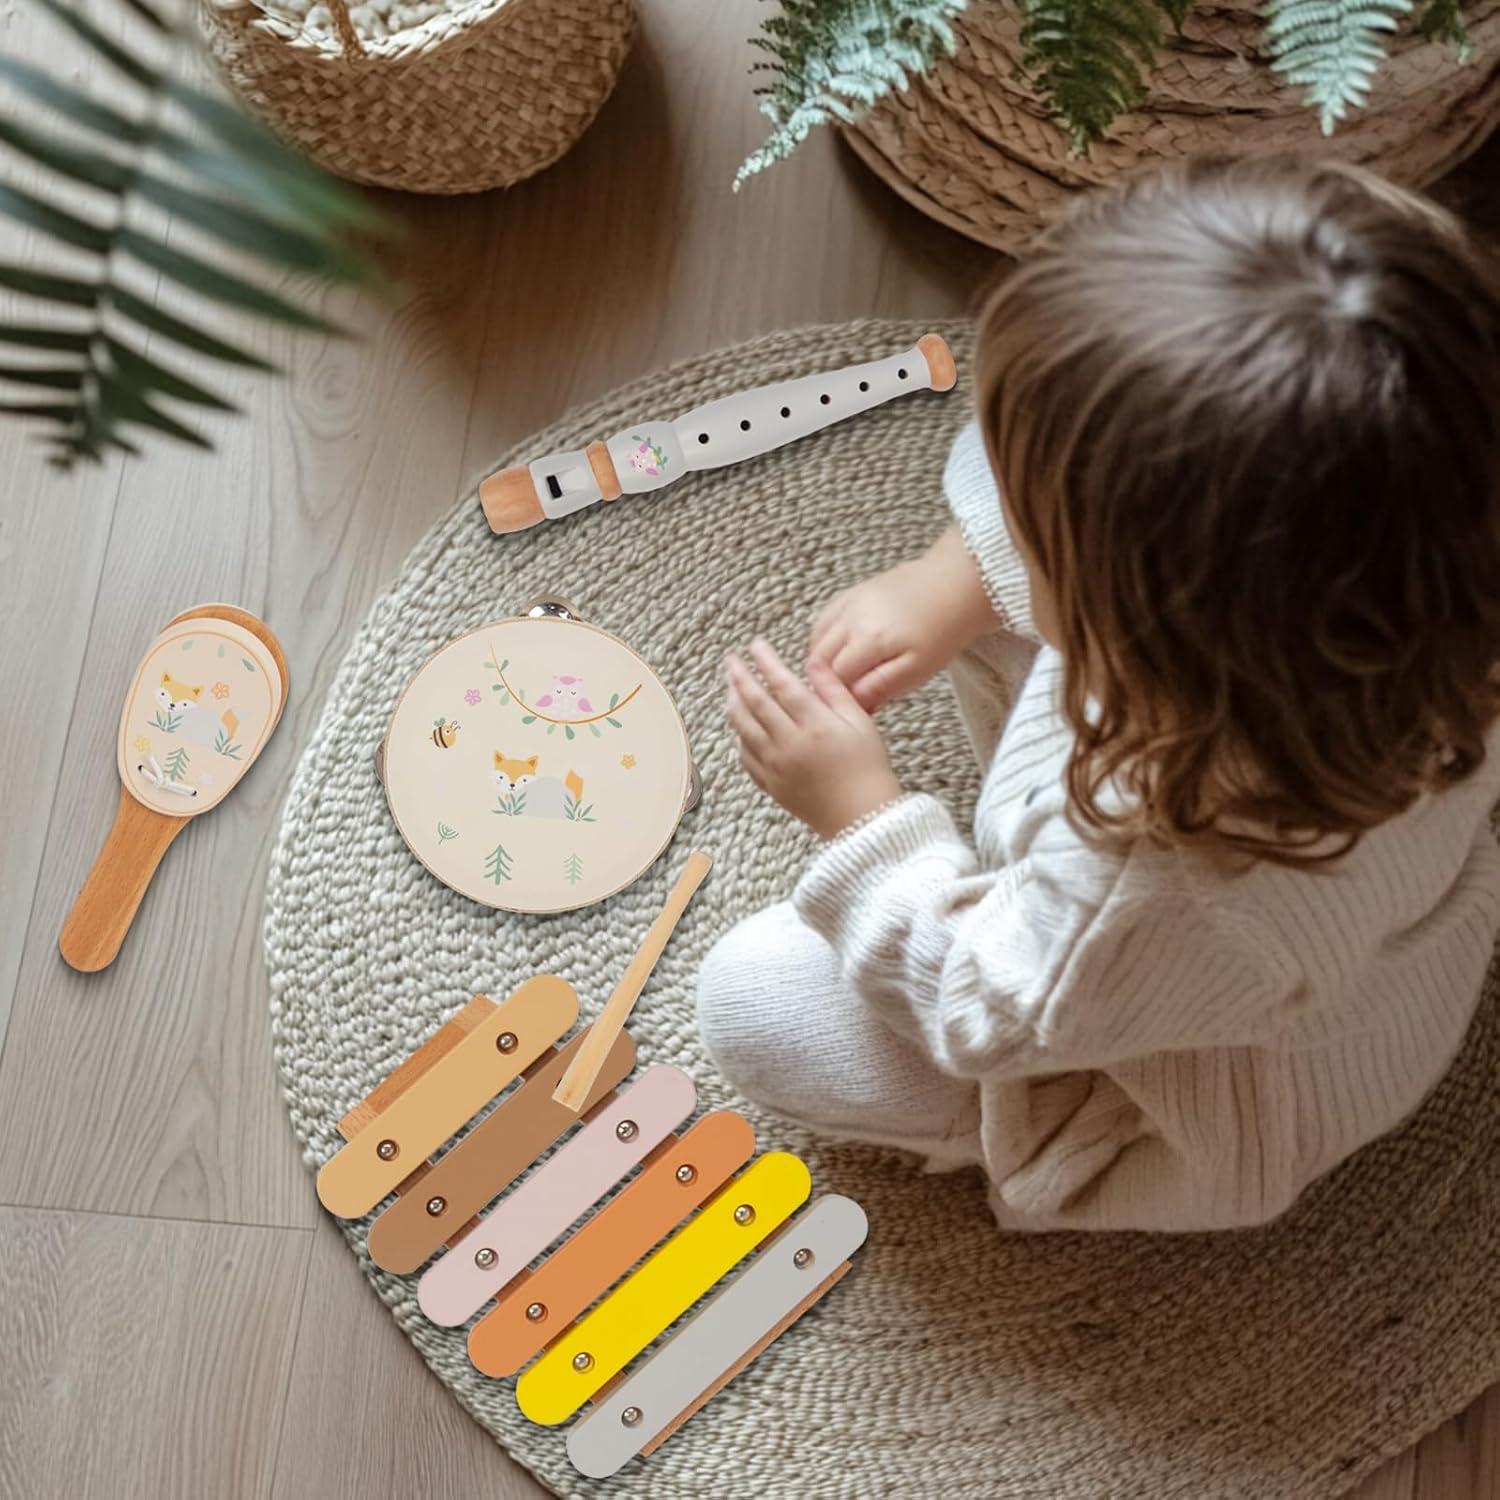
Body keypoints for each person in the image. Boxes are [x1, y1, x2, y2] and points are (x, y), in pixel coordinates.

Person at [698, 156, 1500, 1231]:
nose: (1011, 524)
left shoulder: (1167, 876)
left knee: (751, 997)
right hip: (1309, 929)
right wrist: (955, 581)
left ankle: (1030, 1140)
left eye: (1033, 540)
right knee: (1083, 459)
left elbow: (988, 1004)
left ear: (1148, 639)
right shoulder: (1423, 577)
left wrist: (864, 822)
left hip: (1171, 1070)